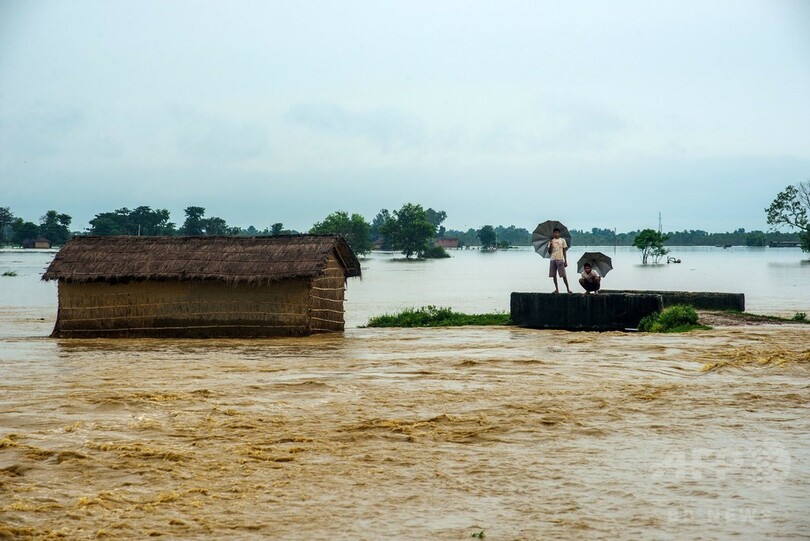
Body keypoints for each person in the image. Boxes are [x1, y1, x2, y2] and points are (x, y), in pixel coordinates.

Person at [547, 227, 571, 293]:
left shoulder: (562, 240)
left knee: (563, 275)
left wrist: (565, 260)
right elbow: (549, 252)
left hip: (560, 259)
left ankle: (568, 289)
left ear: (559, 233)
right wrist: (551, 244)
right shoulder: (551, 241)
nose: (556, 234)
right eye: (555, 233)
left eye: (557, 232)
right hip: (553, 259)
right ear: (553, 233)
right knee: (554, 275)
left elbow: (564, 251)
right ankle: (557, 289)